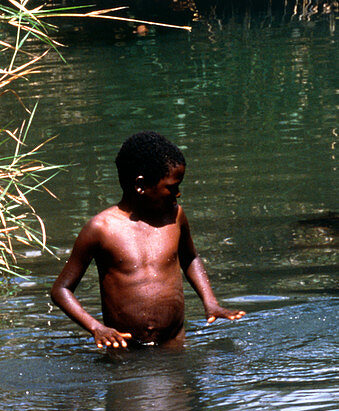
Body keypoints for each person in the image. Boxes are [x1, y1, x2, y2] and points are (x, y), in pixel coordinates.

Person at [51, 131, 245, 348]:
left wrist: (211, 303)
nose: (178, 194)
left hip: (174, 344)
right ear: (140, 185)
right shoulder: (101, 229)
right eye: (172, 187)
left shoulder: (175, 216)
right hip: (125, 349)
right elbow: (61, 290)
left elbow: (190, 258)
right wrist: (97, 327)